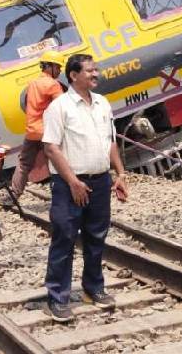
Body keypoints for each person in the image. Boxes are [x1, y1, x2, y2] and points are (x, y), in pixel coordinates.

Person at [41, 53, 129, 322]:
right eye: (90, 71)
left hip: (100, 181)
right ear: (73, 75)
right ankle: (57, 297)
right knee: (64, 237)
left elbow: (110, 142)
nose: (95, 74)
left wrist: (120, 173)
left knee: (96, 236)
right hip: (70, 184)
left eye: (96, 69)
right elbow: (51, 147)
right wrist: (73, 181)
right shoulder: (59, 107)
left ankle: (94, 288)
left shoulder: (102, 104)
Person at [9, 50, 64, 198]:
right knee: (59, 162)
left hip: (32, 131)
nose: (59, 71)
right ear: (49, 66)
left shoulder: (32, 84)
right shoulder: (53, 85)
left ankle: (14, 194)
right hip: (47, 132)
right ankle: (65, 193)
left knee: (23, 163)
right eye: (58, 67)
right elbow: (61, 107)